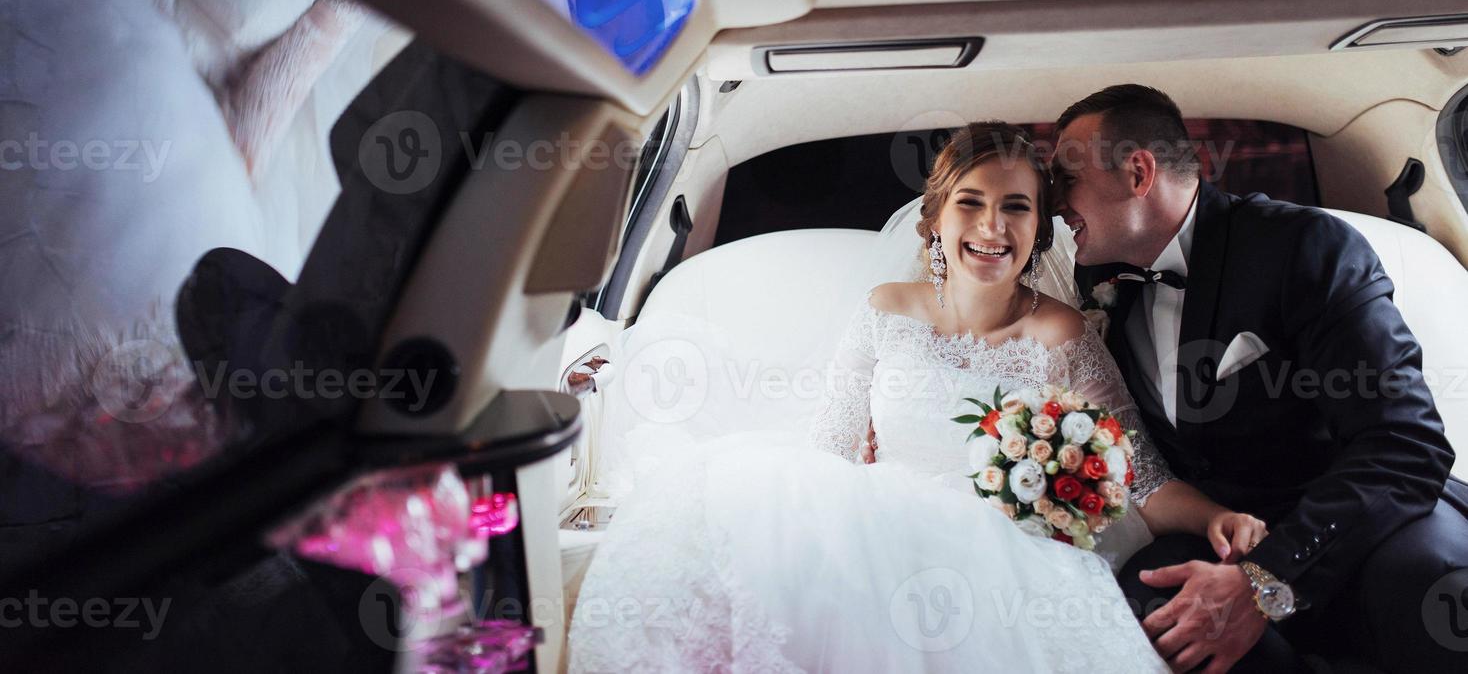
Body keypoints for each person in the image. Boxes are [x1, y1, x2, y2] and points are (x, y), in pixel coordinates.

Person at [566, 122, 1266, 673]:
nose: (993, 228)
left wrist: (1219, 516)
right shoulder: (886, 309)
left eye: (1016, 208)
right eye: (972, 203)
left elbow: (1140, 475)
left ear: (1040, 228)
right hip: (881, 541)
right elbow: (828, 451)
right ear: (936, 220)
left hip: (1015, 564)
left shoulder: (1062, 333)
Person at [1052, 84, 1468, 672]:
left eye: (1066, 180)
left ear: (1138, 172)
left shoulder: (1302, 246)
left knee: (1434, 587)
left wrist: (1267, 576)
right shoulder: (1097, 285)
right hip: (1219, 530)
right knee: (1153, 596)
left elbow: (1405, 442)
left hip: (1362, 519)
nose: (1056, 203)